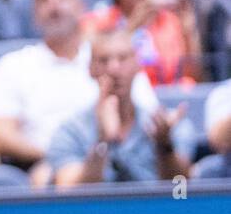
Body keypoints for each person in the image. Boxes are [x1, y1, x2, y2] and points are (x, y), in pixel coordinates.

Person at [0, 0, 95, 186]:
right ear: (34, 14)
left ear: (82, 7)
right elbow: (1, 135)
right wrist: (59, 156)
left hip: (108, 164)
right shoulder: (13, 65)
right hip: (43, 171)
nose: (54, 4)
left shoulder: (109, 60)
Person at [48, 29, 195, 186]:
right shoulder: (70, 131)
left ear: (138, 65)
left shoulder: (167, 123)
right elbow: (70, 194)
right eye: (103, 60)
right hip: (97, 210)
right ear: (90, 68)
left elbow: (180, 190)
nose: (114, 69)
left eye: (123, 58)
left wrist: (164, 145)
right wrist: (102, 141)